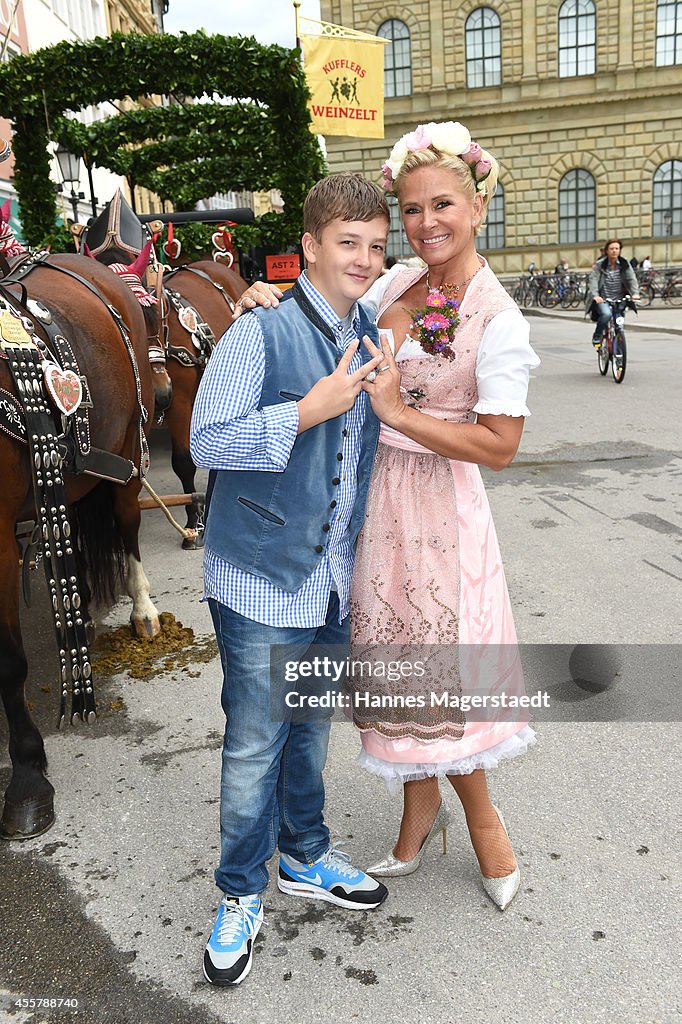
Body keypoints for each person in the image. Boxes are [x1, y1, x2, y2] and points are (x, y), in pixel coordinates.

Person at [237, 121, 540, 913]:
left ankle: (482, 820)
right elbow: (327, 305)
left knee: (439, 670)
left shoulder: (499, 317)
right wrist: (263, 297)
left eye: (442, 204)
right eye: (412, 207)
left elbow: (500, 445)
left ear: (477, 206)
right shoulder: (396, 278)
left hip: (439, 508)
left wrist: (401, 417)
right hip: (369, 505)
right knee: (390, 664)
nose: (425, 222)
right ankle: (418, 809)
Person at [189, 173, 390, 988]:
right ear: (308, 246)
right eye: (348, 243)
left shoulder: (371, 326)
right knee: (253, 745)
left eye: (377, 247)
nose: (364, 260)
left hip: (330, 576)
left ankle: (304, 854)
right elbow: (207, 439)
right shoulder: (259, 333)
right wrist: (310, 408)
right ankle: (239, 891)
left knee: (309, 728)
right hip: (260, 578)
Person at [586, 239, 640, 348]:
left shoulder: (624, 264)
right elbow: (594, 280)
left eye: (617, 248)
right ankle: (597, 335)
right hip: (603, 299)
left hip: (620, 299)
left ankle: (618, 354)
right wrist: (595, 295)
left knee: (619, 326)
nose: (614, 251)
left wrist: (635, 293)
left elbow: (631, 279)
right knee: (606, 315)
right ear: (606, 251)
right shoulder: (600, 265)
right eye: (612, 249)